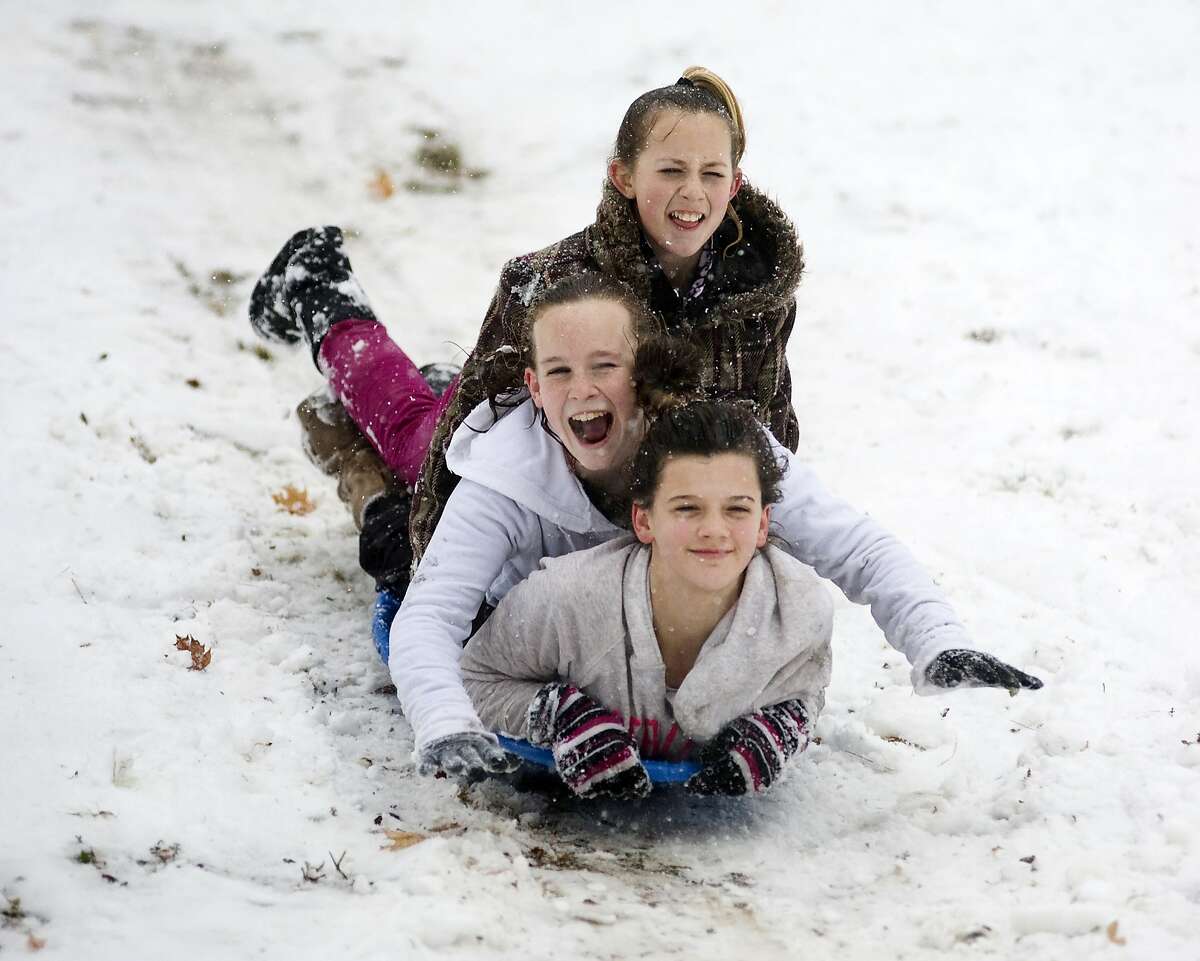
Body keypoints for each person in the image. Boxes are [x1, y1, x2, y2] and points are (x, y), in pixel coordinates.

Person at [385, 272, 1041, 779]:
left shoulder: (711, 449)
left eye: (605, 367)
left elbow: (855, 546)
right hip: (535, 644)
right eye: (560, 372)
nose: (583, 390)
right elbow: (430, 616)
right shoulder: (507, 477)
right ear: (534, 385)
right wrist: (445, 722)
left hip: (643, 636)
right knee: (387, 481)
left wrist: (938, 641)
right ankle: (344, 323)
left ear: (642, 370)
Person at [248, 66, 804, 590]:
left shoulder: (756, 296)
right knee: (415, 441)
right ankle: (321, 288)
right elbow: (464, 436)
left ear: (734, 186)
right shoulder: (546, 282)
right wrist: (428, 564)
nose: (693, 193)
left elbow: (774, 435)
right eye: (671, 171)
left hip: (650, 518)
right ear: (624, 176)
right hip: (536, 480)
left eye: (712, 173)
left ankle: (432, 376)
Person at [460, 400, 835, 800]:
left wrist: (782, 725)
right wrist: (556, 713)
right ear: (644, 520)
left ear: (763, 522)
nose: (713, 529)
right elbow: (471, 679)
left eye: (737, 510)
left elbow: (805, 691)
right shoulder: (567, 601)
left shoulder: (799, 612)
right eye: (687, 508)